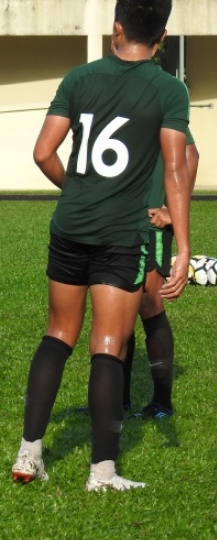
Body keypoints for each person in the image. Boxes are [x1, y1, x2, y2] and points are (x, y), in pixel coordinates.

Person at [10, 0, 191, 491]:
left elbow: (43, 152)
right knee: (107, 345)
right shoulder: (168, 89)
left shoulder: (79, 77)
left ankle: (29, 454)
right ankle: (103, 472)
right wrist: (181, 249)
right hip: (120, 235)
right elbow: (175, 170)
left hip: (69, 225)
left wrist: (79, 190)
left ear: (116, 28)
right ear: (162, 36)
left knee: (57, 334)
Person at [122, 131, 199, 419]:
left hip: (149, 224)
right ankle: (118, 400)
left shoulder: (156, 95)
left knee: (149, 303)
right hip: (118, 222)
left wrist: (173, 210)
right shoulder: (118, 98)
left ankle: (162, 403)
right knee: (118, 306)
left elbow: (190, 154)